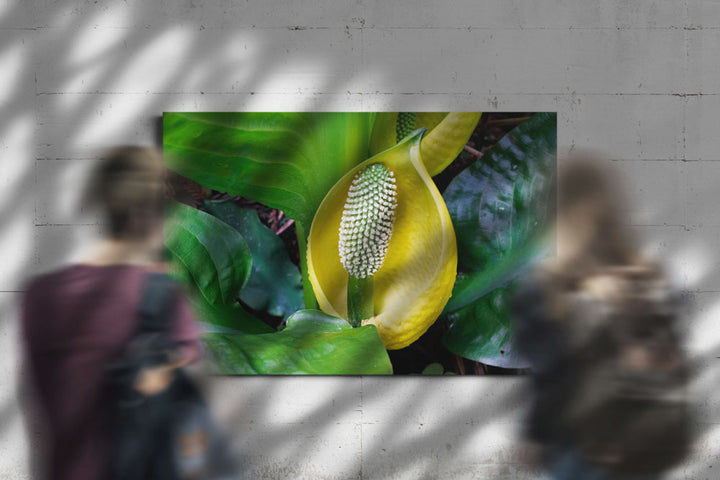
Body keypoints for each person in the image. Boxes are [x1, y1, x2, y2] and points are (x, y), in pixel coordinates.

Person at [21, 146, 201, 480]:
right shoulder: (161, 295)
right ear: (147, 213)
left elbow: (40, 414)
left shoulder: (41, 295)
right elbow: (188, 418)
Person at [512, 153, 690, 480]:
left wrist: (535, 436)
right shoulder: (650, 278)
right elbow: (676, 359)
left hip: (578, 445)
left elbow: (550, 379)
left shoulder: (548, 290)